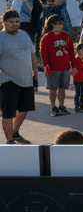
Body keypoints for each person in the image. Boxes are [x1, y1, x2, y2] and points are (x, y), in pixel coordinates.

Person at [1, 9, 36, 144]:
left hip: (26, 80)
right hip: (8, 80)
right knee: (8, 113)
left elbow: (32, 53)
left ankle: (15, 133)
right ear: (3, 22)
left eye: (17, 21)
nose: (15, 24)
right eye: (11, 22)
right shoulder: (1, 37)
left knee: (24, 110)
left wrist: (35, 72)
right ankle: (10, 140)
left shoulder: (24, 34)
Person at [40, 14, 73, 117]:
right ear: (51, 25)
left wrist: (73, 65)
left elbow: (71, 52)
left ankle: (61, 105)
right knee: (53, 88)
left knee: (62, 88)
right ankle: (53, 107)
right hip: (53, 68)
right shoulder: (46, 38)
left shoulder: (66, 36)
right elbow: (43, 54)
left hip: (65, 67)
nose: (59, 27)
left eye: (61, 24)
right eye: (56, 24)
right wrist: (46, 66)